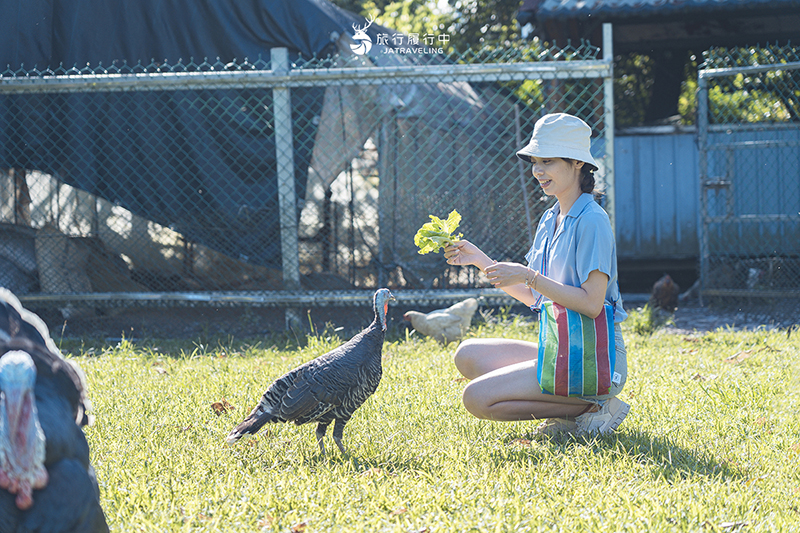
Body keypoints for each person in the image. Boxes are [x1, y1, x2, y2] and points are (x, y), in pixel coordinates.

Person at [443, 113, 629, 436]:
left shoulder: (593, 221)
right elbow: (537, 296)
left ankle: (594, 408)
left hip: (595, 359)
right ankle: (574, 412)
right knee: (467, 356)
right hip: (561, 348)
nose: (538, 171)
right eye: (535, 162)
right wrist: (478, 259)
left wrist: (528, 275)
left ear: (577, 164)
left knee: (476, 398)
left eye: (548, 161)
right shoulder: (550, 219)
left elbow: (592, 304)